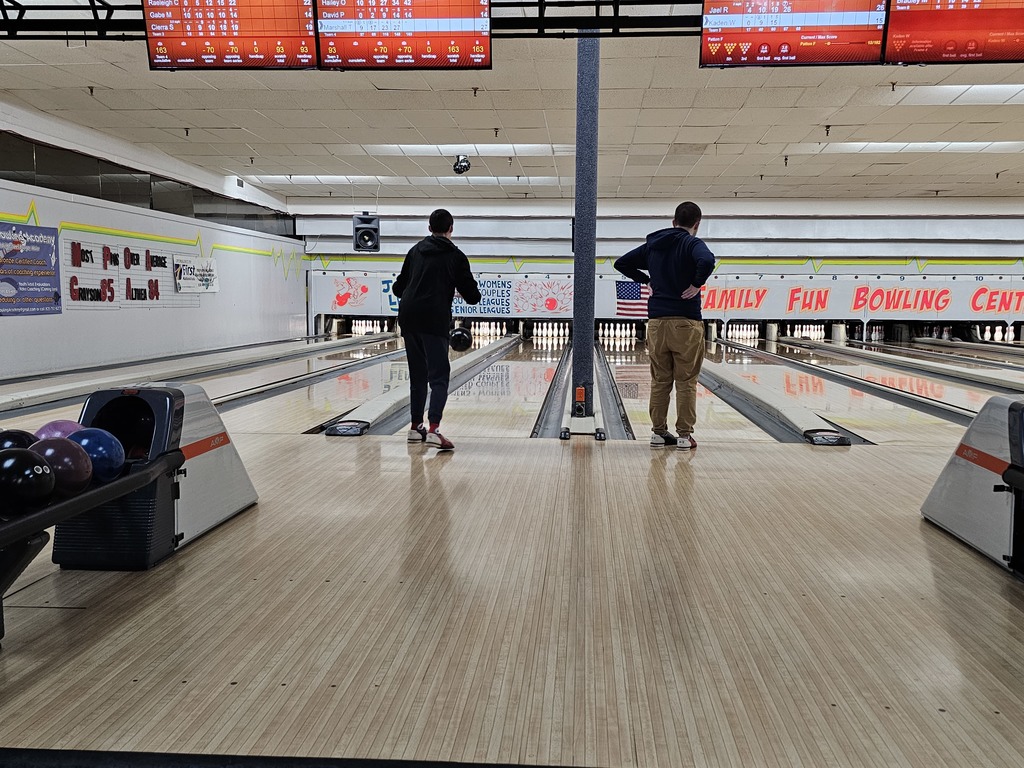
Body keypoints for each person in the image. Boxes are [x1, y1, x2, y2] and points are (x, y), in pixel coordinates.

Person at [614, 201, 716, 451]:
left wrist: (646, 280)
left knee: (660, 381)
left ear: (673, 222)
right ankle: (684, 435)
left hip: (657, 323)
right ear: (697, 225)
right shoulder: (692, 243)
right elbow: (707, 260)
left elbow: (621, 263)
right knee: (686, 381)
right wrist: (696, 284)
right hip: (685, 322)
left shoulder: (653, 245)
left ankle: (658, 433)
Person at [392, 208, 481, 451]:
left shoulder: (415, 251)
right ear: (451, 229)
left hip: (409, 317)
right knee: (439, 378)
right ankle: (433, 430)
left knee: (418, 376)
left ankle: (415, 427)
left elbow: (398, 288)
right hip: (434, 319)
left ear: (429, 228)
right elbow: (473, 297)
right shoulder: (456, 256)